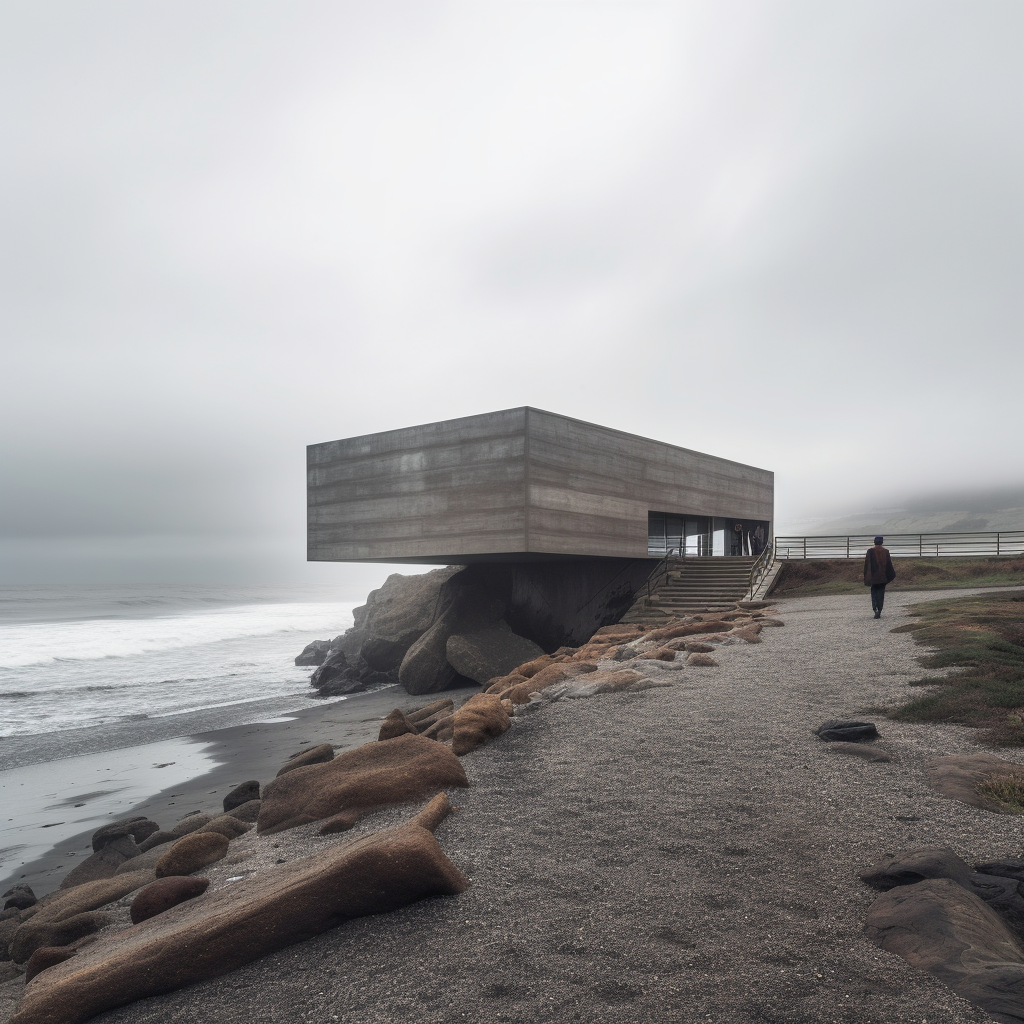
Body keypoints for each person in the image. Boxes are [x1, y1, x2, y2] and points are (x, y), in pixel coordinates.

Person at [864, 535, 896, 618]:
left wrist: (867, 576)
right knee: (881, 594)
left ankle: (875, 610)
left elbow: (867, 565)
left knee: (874, 593)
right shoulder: (885, 551)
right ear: (882, 542)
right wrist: (888, 576)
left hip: (873, 576)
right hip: (882, 577)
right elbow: (889, 565)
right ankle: (880, 610)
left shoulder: (870, 551)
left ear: (874, 542)